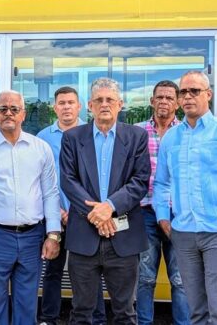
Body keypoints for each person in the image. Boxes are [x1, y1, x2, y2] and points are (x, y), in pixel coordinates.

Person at [153, 70, 217, 325]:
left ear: (208, 94)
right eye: (183, 92)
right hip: (183, 234)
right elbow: (162, 182)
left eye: (194, 91)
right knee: (196, 312)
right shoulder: (171, 138)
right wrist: (163, 216)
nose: (188, 97)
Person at [0, 90, 62, 325]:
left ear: (23, 114)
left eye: (14, 109)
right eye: (3, 109)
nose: (8, 113)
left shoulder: (40, 149)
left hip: (33, 237)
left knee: (27, 307)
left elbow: (50, 194)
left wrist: (53, 235)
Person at [61, 77, 150, 324]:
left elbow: (140, 181)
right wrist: (98, 216)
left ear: (120, 104)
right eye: (98, 100)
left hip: (124, 239)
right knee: (81, 312)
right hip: (83, 237)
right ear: (90, 105)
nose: (104, 104)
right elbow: (68, 181)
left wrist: (109, 207)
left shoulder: (137, 136)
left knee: (125, 312)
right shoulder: (72, 137)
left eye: (109, 99)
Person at [37, 86, 106, 325]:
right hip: (54, 216)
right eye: (62, 103)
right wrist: (56, 211)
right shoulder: (43, 138)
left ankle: (97, 318)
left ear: (80, 106)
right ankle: (49, 318)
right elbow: (39, 179)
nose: (66, 107)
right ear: (54, 107)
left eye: (70, 103)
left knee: (90, 271)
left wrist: (82, 210)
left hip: (86, 216)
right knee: (53, 269)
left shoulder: (93, 133)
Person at [134, 80, 190, 325]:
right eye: (160, 97)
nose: (164, 102)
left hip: (179, 215)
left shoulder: (187, 133)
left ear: (177, 103)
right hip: (146, 213)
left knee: (180, 278)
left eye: (169, 98)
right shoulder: (136, 132)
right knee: (145, 277)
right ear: (152, 101)